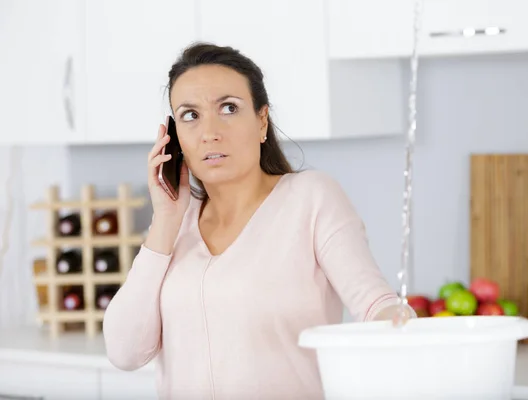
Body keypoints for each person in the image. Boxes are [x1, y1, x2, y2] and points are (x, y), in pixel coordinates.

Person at [102, 42, 413, 400]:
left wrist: (405, 334)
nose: (210, 132)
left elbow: (376, 305)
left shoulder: (311, 198)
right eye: (190, 115)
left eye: (229, 108)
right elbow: (124, 352)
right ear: (175, 138)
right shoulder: (174, 224)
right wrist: (165, 220)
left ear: (261, 120)